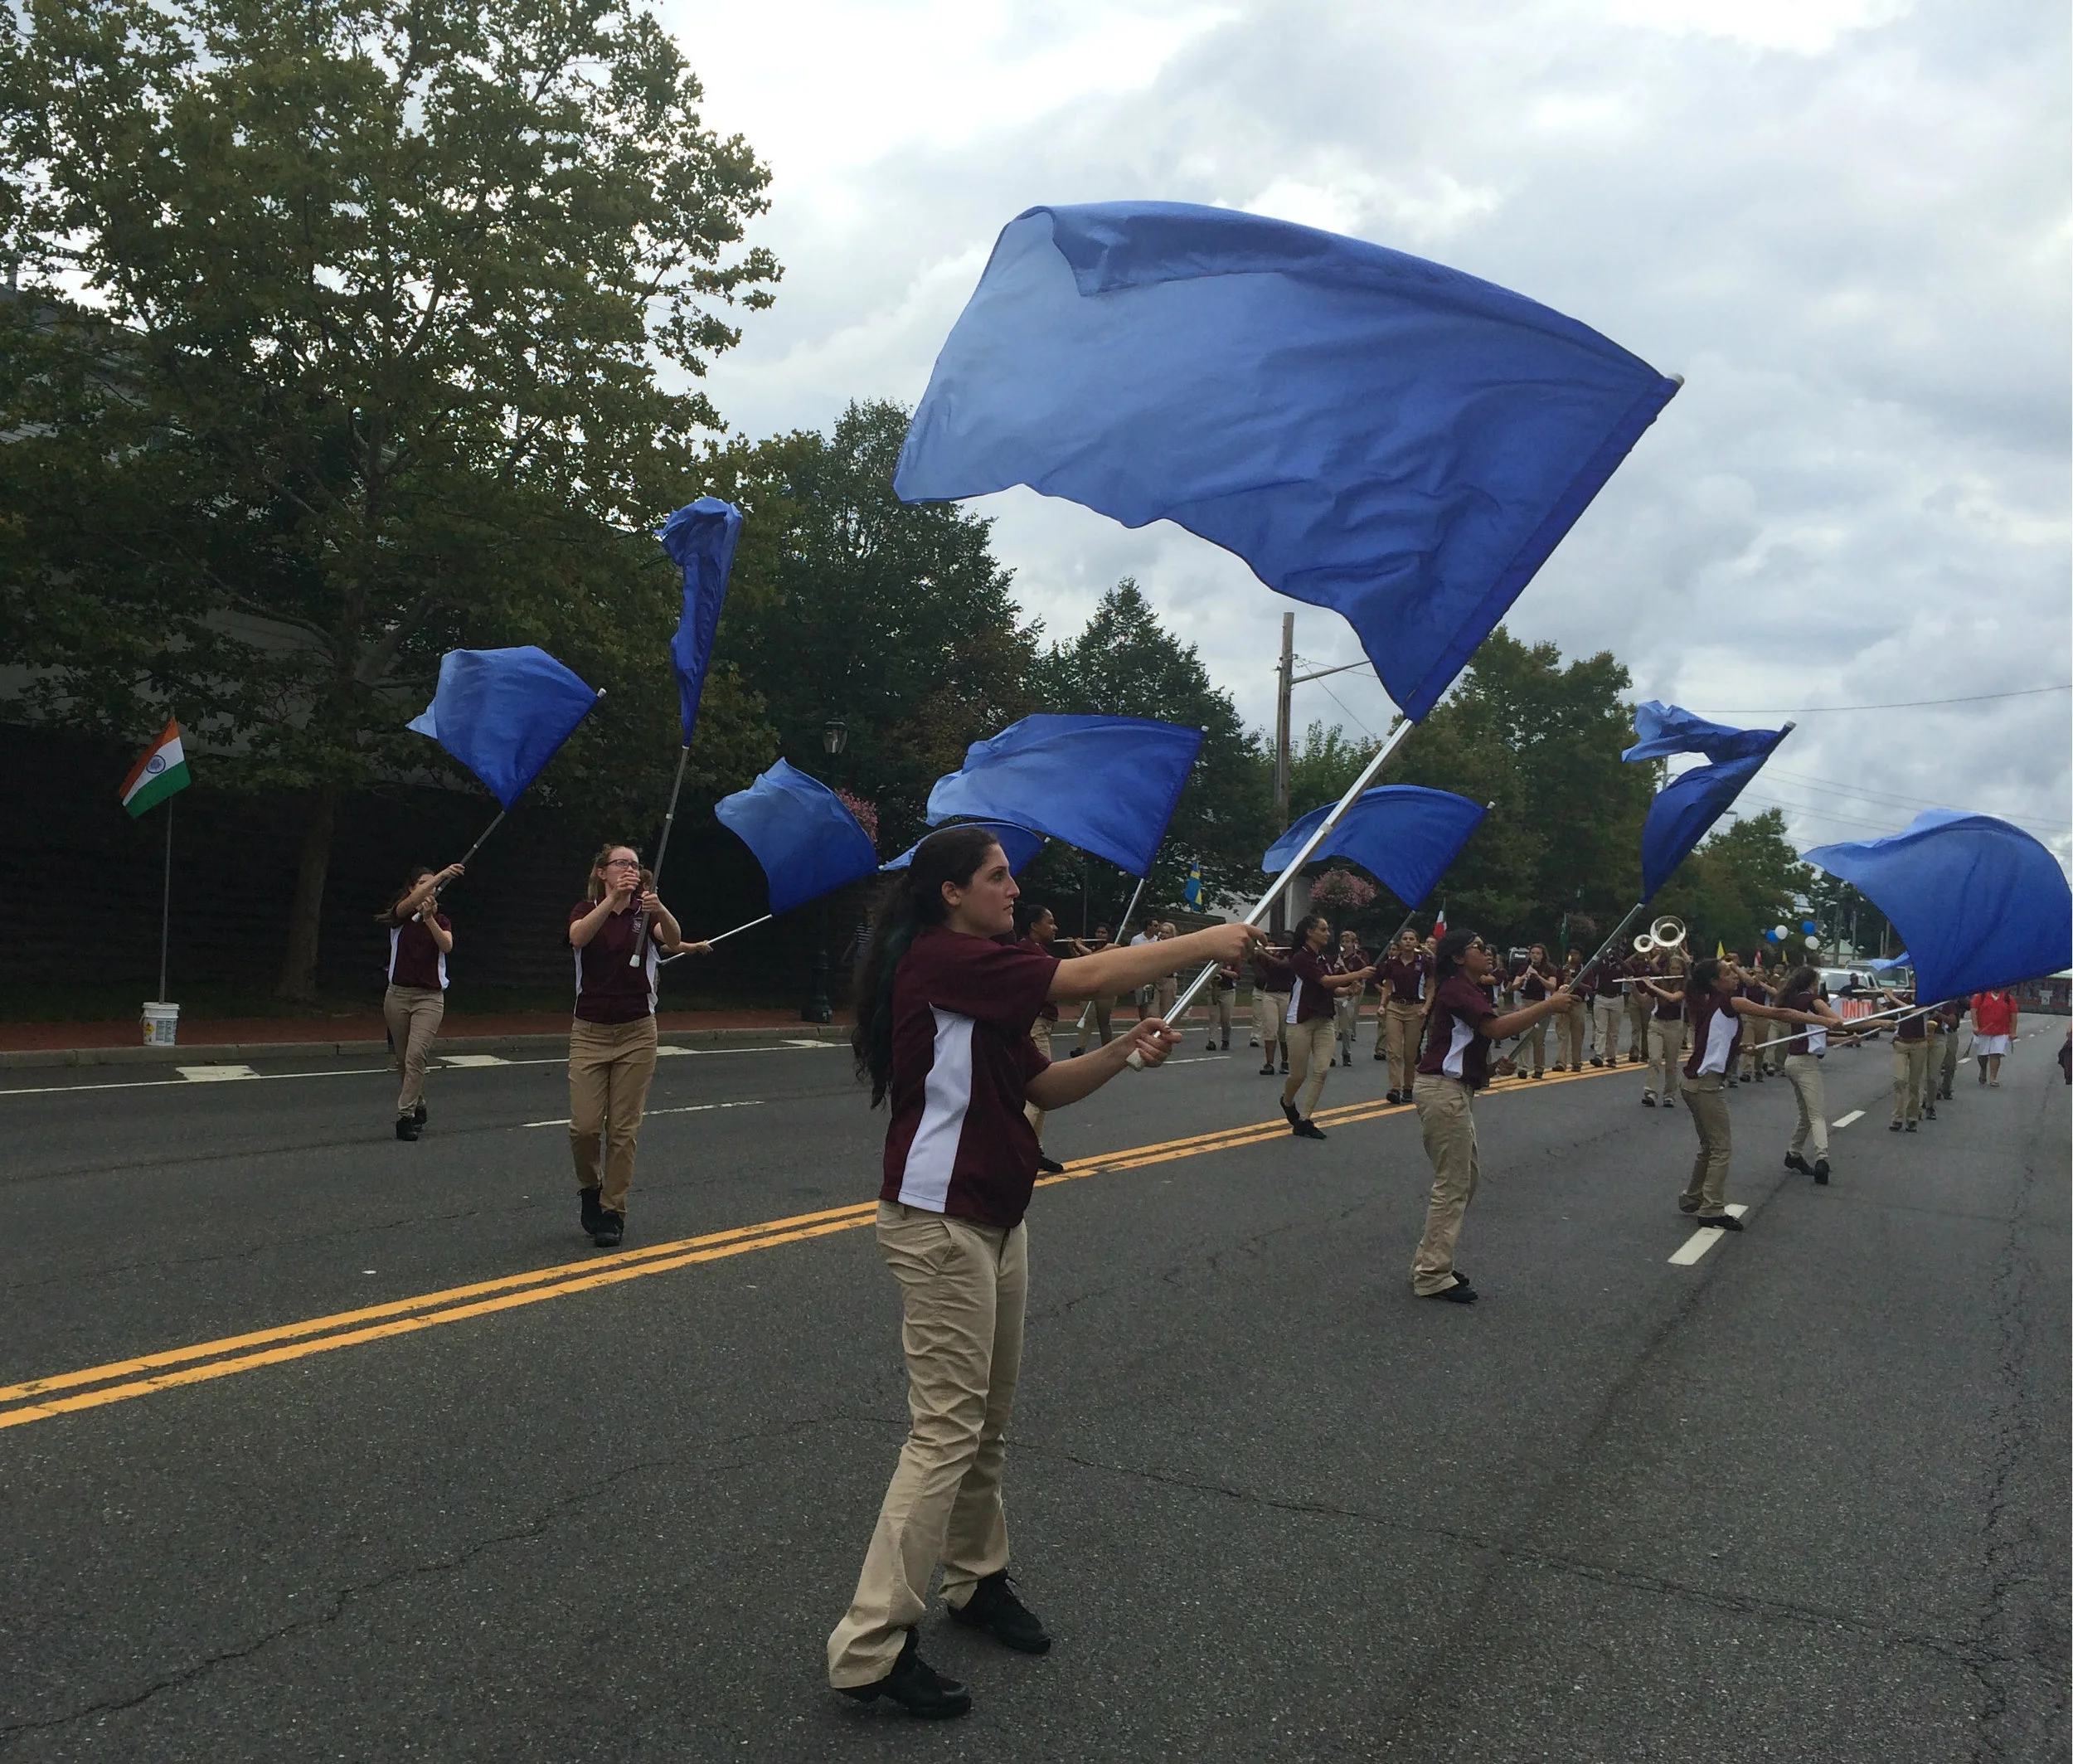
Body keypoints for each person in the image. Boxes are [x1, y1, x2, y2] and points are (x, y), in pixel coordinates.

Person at [826, 827, 1260, 1718]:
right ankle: (869, 1646)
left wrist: (1121, 1053)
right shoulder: (950, 960)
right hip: (937, 1219)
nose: (1012, 890)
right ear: (950, 892)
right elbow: (1081, 979)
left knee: (985, 1424)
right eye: (996, 877)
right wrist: (1207, 940)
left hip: (994, 1215)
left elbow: (1045, 1087)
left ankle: (975, 1581)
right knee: (944, 1433)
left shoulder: (981, 974)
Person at [1408, 930, 1574, 1302]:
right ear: (1457, 958)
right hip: (1442, 1093)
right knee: (1452, 1185)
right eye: (1477, 949)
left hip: (1454, 1089)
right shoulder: (1455, 988)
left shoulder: (1469, 990)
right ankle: (1432, 1274)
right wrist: (1549, 1004)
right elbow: (1496, 1027)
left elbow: (1460, 1043)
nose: (1486, 954)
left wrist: (1488, 1065)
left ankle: (1430, 1259)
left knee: (1465, 1180)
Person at [566, 843, 707, 1249]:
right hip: (590, 1031)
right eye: (621, 864)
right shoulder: (584, 908)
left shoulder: (643, 913)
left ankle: (613, 1211)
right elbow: (578, 938)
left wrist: (658, 909)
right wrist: (610, 900)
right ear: (602, 872)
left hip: (636, 1033)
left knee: (623, 1129)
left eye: (634, 865)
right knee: (585, 1127)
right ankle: (589, 1188)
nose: (629, 870)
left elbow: (673, 938)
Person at [1642, 957, 1828, 1226]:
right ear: (1715, 982)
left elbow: (1712, 1039)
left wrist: (1738, 1049)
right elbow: (1780, 1014)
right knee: (1721, 1148)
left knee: (1709, 1146)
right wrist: (1825, 1021)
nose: (1735, 975)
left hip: (1694, 1082)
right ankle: (1711, 1210)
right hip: (1705, 1085)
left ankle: (1693, 1197)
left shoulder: (1712, 1003)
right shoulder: (1730, 1001)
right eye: (1728, 973)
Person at [380, 861, 464, 1140]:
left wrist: (429, 919)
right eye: (424, 885)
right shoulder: (400, 917)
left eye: (435, 887)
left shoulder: (441, 921)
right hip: (397, 997)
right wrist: (440, 875)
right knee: (402, 1061)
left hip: (429, 998)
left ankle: (404, 1116)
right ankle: (419, 1103)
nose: (431, 890)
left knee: (416, 1057)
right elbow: (406, 907)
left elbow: (447, 946)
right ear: (412, 889)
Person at [1279, 914, 1375, 1138]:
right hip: (1301, 1020)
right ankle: (1287, 1100)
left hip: (1324, 1020)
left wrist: (1350, 989)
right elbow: (1324, 981)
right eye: (1323, 929)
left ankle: (1305, 1119)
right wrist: (1358, 974)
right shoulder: (1301, 958)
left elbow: (1332, 989)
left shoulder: (1322, 958)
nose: (1327, 933)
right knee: (1298, 1075)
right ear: (1310, 932)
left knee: (1321, 1070)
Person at [1774, 964, 1851, 1185]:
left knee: (1807, 1114)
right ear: (1812, 982)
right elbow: (1836, 1021)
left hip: (1793, 1061)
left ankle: (1794, 1154)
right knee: (1817, 1115)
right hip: (1806, 1064)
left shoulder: (1794, 999)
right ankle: (1822, 1159)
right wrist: (1878, 1022)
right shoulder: (1812, 1000)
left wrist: (1848, 1039)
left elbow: (1820, 1036)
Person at [1016, 903, 1066, 1175]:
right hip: (1034, 1025)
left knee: (1040, 1093)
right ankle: (1013, 1149)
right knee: (1039, 1089)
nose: (1055, 927)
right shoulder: (1029, 953)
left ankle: (1033, 1150)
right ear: (1034, 926)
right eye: (1050, 922)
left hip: (1041, 1025)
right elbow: (1070, 977)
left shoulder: (1037, 952)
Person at [1375, 926, 1430, 1104]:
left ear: (1416, 942)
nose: (1408, 941)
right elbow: (1388, 986)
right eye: (1405, 938)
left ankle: (1409, 1086)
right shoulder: (1392, 963)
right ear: (1400, 942)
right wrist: (1383, 1005)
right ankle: (1394, 1088)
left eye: (1411, 939)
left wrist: (1426, 1007)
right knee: (1394, 1050)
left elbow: (1430, 987)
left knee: (1410, 1052)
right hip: (1395, 1007)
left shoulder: (1424, 963)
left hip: (1416, 1008)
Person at [1640, 952, 1686, 1108]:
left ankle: (1669, 1095)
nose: (1675, 971)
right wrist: (1638, 986)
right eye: (1672, 968)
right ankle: (1650, 1093)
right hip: (1656, 1023)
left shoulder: (1685, 984)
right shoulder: (1660, 982)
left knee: (1672, 1063)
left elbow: (1673, 998)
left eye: (1678, 968)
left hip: (1674, 1025)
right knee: (1654, 1059)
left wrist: (1652, 986)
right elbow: (1643, 999)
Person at [1881, 984, 1929, 1130]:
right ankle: (1897, 1118)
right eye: (1915, 980)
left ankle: (1912, 1117)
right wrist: (1872, 998)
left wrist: (1892, 997)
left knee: (1914, 1083)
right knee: (1899, 1081)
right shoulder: (1903, 998)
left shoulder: (1928, 1000)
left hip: (1919, 1044)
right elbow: (1881, 1013)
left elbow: (1914, 1011)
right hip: (1901, 1043)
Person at [1068, 924, 1114, 1053]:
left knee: (1103, 1021)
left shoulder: (1112, 947)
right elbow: (1080, 961)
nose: (1100, 935)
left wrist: (1079, 945)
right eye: (1098, 932)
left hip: (1107, 989)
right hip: (1090, 987)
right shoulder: (1093, 947)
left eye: (1103, 933)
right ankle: (1080, 1048)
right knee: (1086, 1018)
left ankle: (1108, 1048)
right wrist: (1072, 947)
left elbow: (1095, 957)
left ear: (1109, 935)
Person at [1255, 935, 1294, 1075]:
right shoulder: (1272, 957)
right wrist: (1259, 953)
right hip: (1270, 994)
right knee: (1270, 1029)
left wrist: (1264, 953)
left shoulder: (1292, 958)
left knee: (1284, 1031)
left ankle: (1286, 1061)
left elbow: (1282, 965)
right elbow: (1256, 962)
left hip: (1285, 995)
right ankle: (1269, 1063)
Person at [1330, 928, 1368, 1067]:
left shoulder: (1357, 960)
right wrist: (1336, 967)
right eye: (1343, 942)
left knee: (1346, 1029)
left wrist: (1344, 968)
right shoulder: (1336, 957)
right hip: (1335, 993)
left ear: (1353, 943)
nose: (1345, 944)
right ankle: (1331, 1056)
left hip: (1349, 996)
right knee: (1332, 1027)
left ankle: (1346, 1052)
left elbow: (1358, 980)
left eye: (1348, 942)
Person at [1732, 955, 1770, 1085]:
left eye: (1759, 973)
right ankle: (1746, 1072)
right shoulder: (1746, 984)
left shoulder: (1767, 984)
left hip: (1763, 1018)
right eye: (1754, 972)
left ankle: (1758, 1069)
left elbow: (1775, 993)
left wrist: (1761, 983)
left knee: (1760, 1046)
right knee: (1748, 1044)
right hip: (1748, 1016)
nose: (1756, 975)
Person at [1971, 986, 2018, 1086]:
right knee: (1982, 1054)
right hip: (1983, 1030)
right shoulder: (1982, 996)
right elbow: (1974, 1010)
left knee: (1996, 1054)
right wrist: (1975, 1026)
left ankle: (1993, 1078)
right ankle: (1983, 1069)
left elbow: (2013, 1015)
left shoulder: (2008, 999)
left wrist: (2013, 1032)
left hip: (2001, 1031)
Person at [1556, 947, 1590, 1072]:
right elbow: (1556, 986)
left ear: (1581, 957)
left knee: (1577, 1035)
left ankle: (1576, 1061)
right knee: (1562, 1034)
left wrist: (1576, 981)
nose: (1573, 956)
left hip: (1579, 1004)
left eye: (1576, 954)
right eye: (1571, 954)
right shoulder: (1562, 969)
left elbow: (1590, 988)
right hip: (1564, 1003)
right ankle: (1561, 1062)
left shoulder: (1586, 970)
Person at [1587, 950, 1623, 1068]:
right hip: (1602, 997)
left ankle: (1612, 1057)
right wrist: (1604, 960)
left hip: (1617, 998)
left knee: (1614, 1031)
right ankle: (1599, 1055)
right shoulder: (1602, 963)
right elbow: (1594, 971)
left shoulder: (1620, 963)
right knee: (1601, 1028)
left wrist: (1618, 960)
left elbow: (1631, 971)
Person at [1622, 950, 1652, 1063]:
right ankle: (1634, 1050)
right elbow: (1625, 964)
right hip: (1634, 995)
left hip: (1648, 996)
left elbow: (1657, 971)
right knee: (1636, 1027)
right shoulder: (1633, 962)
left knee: (1646, 1027)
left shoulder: (1651, 962)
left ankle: (1645, 1052)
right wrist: (1636, 953)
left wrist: (1649, 958)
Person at [1933, 997, 1965, 1101]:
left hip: (1950, 1032)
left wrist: (1940, 1015)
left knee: (1950, 1064)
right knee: (1935, 1063)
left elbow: (1953, 1022)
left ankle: (1946, 1088)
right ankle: (1935, 1089)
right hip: (1934, 1033)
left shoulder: (1950, 1002)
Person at [1206, 955, 1238, 1052]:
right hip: (1214, 990)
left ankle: (1225, 1040)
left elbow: (1237, 975)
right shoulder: (1213, 959)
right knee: (1213, 1017)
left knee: (1226, 1018)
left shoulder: (1233, 959)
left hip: (1228, 991)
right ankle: (1212, 1041)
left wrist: (1223, 971)